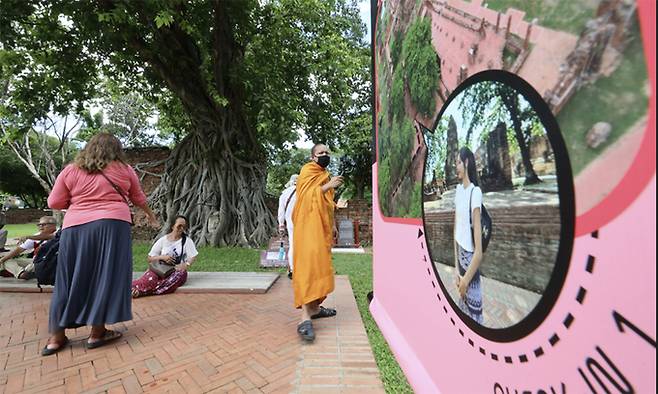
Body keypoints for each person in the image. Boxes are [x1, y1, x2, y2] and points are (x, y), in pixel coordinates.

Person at [43, 133, 158, 356]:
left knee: (68, 277)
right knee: (106, 276)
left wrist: (79, 202)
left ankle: (55, 339)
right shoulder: (125, 170)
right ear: (117, 149)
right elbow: (138, 197)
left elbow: (54, 202)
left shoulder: (71, 170)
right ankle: (97, 334)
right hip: (113, 226)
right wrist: (151, 216)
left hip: (75, 228)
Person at [292, 143, 343, 342]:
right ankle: (304, 318)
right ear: (313, 157)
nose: (324, 155)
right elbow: (304, 198)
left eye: (327, 153)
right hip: (306, 228)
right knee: (308, 268)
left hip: (321, 228)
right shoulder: (307, 171)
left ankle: (314, 308)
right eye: (320, 153)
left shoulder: (325, 174)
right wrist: (329, 186)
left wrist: (333, 225)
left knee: (320, 267)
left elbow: (327, 205)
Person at [453, 147, 485, 324]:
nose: (455, 166)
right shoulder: (458, 191)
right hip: (461, 262)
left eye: (458, 162)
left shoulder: (475, 193)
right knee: (462, 318)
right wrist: (456, 269)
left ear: (466, 163)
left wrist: (465, 281)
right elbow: (455, 231)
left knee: (474, 320)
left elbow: (479, 252)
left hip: (471, 267)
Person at [131, 215, 198, 298]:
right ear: (172, 226)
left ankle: (141, 292)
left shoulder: (187, 241)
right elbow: (150, 258)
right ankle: (130, 288)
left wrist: (186, 264)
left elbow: (193, 255)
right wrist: (163, 257)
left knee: (178, 276)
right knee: (149, 279)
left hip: (175, 271)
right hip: (160, 269)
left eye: (184, 227)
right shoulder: (163, 240)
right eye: (179, 226)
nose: (181, 229)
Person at [277, 174, 298, 278]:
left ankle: (293, 269)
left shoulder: (285, 193)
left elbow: (281, 210)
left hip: (290, 222)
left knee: (292, 245)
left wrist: (281, 224)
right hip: (304, 221)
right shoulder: (303, 192)